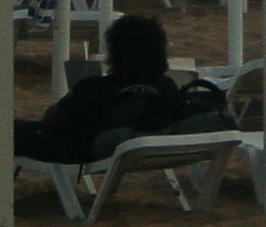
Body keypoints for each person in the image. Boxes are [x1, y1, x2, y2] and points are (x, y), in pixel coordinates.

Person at [13, 13, 222, 163]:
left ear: (114, 52)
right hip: (134, 148)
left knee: (9, 130)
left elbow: (53, 119)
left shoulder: (95, 88)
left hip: (82, 149)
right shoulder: (166, 87)